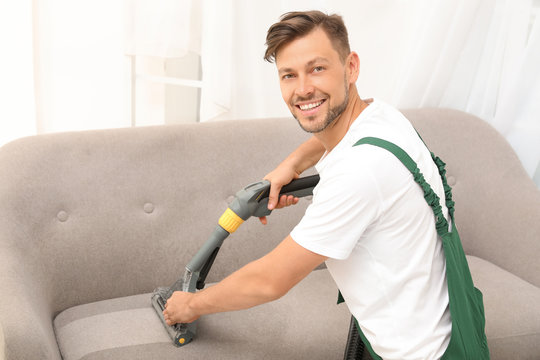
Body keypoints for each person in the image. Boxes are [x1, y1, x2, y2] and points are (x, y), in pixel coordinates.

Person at [163, 11, 489, 360]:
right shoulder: (382, 117)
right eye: (289, 75)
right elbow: (332, 135)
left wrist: (191, 305)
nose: (302, 89)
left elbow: (270, 280)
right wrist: (289, 166)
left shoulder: (360, 173)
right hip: (458, 331)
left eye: (317, 68)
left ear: (351, 67)